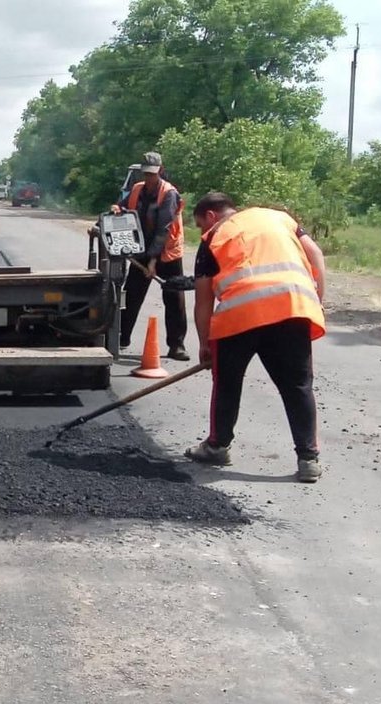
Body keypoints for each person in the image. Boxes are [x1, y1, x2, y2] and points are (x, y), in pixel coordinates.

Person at [186, 192, 327, 483]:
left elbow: (203, 301)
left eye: (201, 224)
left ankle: (217, 446)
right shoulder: (279, 217)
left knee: (227, 383)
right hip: (292, 308)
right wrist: (317, 300)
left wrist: (204, 344)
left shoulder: (213, 237)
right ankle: (308, 459)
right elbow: (316, 254)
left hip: (240, 317)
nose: (202, 230)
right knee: (298, 386)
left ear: (211, 217)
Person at [113, 151, 190, 360]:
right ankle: (121, 337)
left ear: (161, 171)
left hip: (167, 253)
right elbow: (122, 207)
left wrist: (153, 261)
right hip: (141, 250)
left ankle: (176, 345)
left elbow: (163, 229)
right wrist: (116, 209)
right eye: (145, 174)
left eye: (152, 174)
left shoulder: (169, 194)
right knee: (131, 295)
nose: (148, 178)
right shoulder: (137, 190)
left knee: (174, 298)